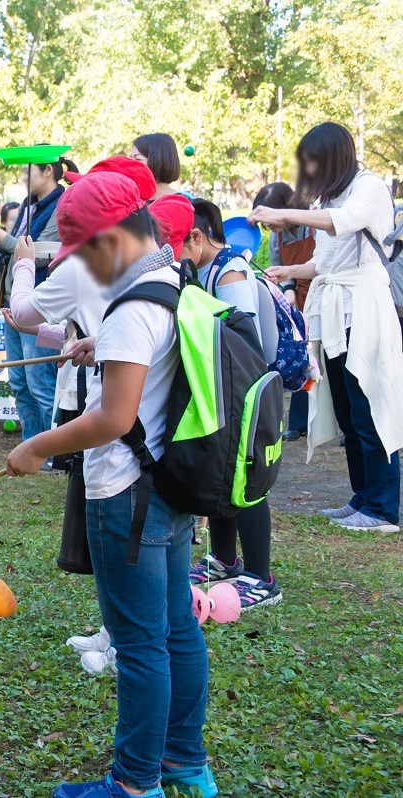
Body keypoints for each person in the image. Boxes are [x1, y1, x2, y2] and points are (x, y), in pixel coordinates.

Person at [6, 172, 214, 798]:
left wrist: (36, 446)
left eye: (87, 251)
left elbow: (114, 418)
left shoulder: (133, 307)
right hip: (171, 488)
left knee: (141, 643)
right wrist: (102, 346)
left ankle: (133, 785)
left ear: (111, 238)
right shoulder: (169, 281)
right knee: (178, 627)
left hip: (127, 494)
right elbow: (154, 363)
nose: (87, 265)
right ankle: (185, 763)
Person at [252, 121, 403, 533]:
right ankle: (363, 497)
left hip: (364, 309)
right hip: (336, 309)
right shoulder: (331, 197)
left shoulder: (369, 188)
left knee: (371, 405)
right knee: (349, 410)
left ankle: (384, 508)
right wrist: (288, 269)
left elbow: (345, 222)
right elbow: (325, 262)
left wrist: (282, 212)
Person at [178, 198, 282, 610]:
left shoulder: (231, 271)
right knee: (221, 471)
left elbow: (245, 341)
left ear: (198, 237)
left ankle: (261, 577)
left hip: (246, 393)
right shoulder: (203, 268)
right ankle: (223, 560)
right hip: (223, 389)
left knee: (248, 479)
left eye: (177, 242)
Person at [0, 154, 76, 443]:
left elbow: (42, 253)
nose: (23, 179)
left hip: (42, 304)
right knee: (19, 380)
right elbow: (14, 249)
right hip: (14, 300)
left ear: (49, 171)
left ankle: (52, 450)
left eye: (28, 173)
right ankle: (31, 443)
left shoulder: (62, 205)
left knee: (40, 380)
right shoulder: (28, 205)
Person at [253, 181, 315, 441]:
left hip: (322, 291)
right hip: (298, 295)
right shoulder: (277, 239)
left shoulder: (313, 223)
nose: (269, 228)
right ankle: (299, 422)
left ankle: (342, 426)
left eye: (270, 220)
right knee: (304, 354)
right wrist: (289, 296)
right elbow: (281, 269)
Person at [131, 133, 181, 199]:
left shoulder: (186, 204)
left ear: (158, 160)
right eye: (131, 158)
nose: (130, 163)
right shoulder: (132, 203)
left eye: (138, 159)